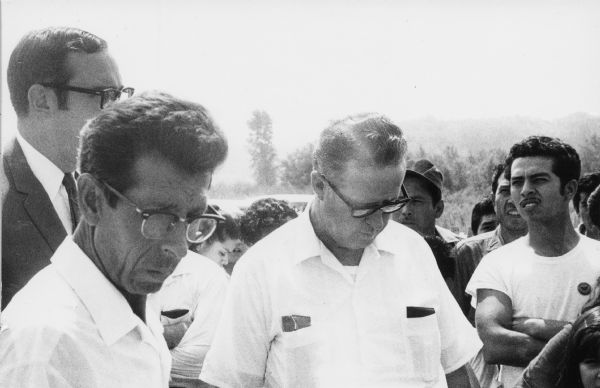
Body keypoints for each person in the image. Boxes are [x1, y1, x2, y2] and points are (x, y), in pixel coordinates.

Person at [200, 113, 481, 387]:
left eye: (391, 204)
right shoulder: (262, 269)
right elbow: (228, 381)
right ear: (320, 185)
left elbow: (456, 366)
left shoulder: (413, 251)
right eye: (364, 208)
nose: (379, 222)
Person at [0, 91, 228, 387]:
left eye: (193, 218)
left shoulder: (135, 294)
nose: (181, 248)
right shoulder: (47, 346)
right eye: (159, 217)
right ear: (92, 200)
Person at [2, 27, 132, 309]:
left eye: (119, 95)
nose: (116, 111)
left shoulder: (103, 191)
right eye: (103, 95)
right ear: (41, 100)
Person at [466, 136, 600, 388]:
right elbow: (494, 344)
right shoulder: (497, 264)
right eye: (517, 182)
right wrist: (581, 343)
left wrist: (537, 327)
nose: (525, 189)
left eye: (538, 179)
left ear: (569, 189)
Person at [454, 164, 529, 319]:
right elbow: (456, 321)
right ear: (493, 198)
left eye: (521, 191)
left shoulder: (553, 250)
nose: (513, 199)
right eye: (505, 191)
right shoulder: (468, 252)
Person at [392, 158, 462, 245]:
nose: (405, 211)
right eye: (399, 201)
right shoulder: (376, 250)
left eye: (416, 201)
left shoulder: (458, 250)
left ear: (438, 209)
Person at [573, 172, 600, 239]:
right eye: (585, 205)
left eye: (596, 204)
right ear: (578, 210)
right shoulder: (569, 243)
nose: (591, 211)